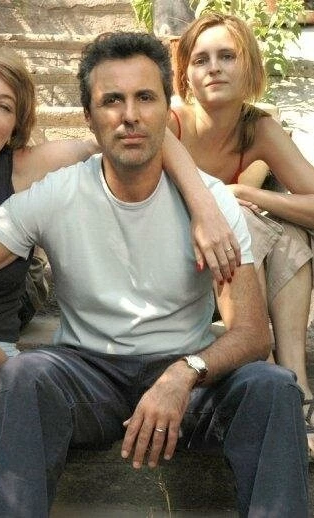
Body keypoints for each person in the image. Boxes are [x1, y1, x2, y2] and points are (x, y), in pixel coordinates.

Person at [0, 32, 309, 517]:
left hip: (189, 379)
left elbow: (251, 333)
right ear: (89, 118)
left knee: (272, 386)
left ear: (167, 110)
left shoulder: (212, 205)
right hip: (89, 377)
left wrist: (185, 373)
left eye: (145, 98)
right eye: (112, 101)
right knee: (27, 374)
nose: (129, 115)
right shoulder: (57, 195)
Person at [168, 12, 314, 459]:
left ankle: (296, 386)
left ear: (248, 65)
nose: (213, 68)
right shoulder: (172, 123)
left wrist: (246, 192)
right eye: (201, 59)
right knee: (243, 221)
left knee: (290, 235)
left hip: (231, 270)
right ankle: (268, 376)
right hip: (178, 270)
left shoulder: (258, 127)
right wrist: (227, 203)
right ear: (186, 75)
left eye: (227, 56)